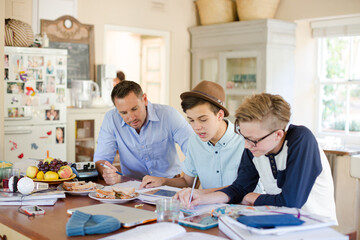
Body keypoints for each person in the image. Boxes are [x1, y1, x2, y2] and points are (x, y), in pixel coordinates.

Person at [176, 93, 337, 221]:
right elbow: (239, 188)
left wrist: (253, 197)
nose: (246, 145)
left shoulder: (301, 140)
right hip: (280, 222)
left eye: (252, 140)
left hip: (314, 227)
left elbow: (291, 202)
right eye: (244, 137)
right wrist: (201, 198)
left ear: (278, 134)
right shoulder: (254, 146)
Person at [140, 81, 245, 191]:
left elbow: (245, 188)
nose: (196, 127)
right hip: (208, 207)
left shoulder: (245, 141)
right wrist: (163, 181)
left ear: (219, 115)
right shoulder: (194, 142)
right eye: (191, 120)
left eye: (203, 120)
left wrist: (205, 195)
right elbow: (187, 182)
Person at [94, 80, 194, 184]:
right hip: (133, 186)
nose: (131, 118)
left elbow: (194, 151)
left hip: (169, 184)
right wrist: (107, 173)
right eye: (124, 113)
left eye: (134, 109)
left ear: (144, 99)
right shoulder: (111, 119)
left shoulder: (168, 115)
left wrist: (188, 179)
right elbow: (101, 160)